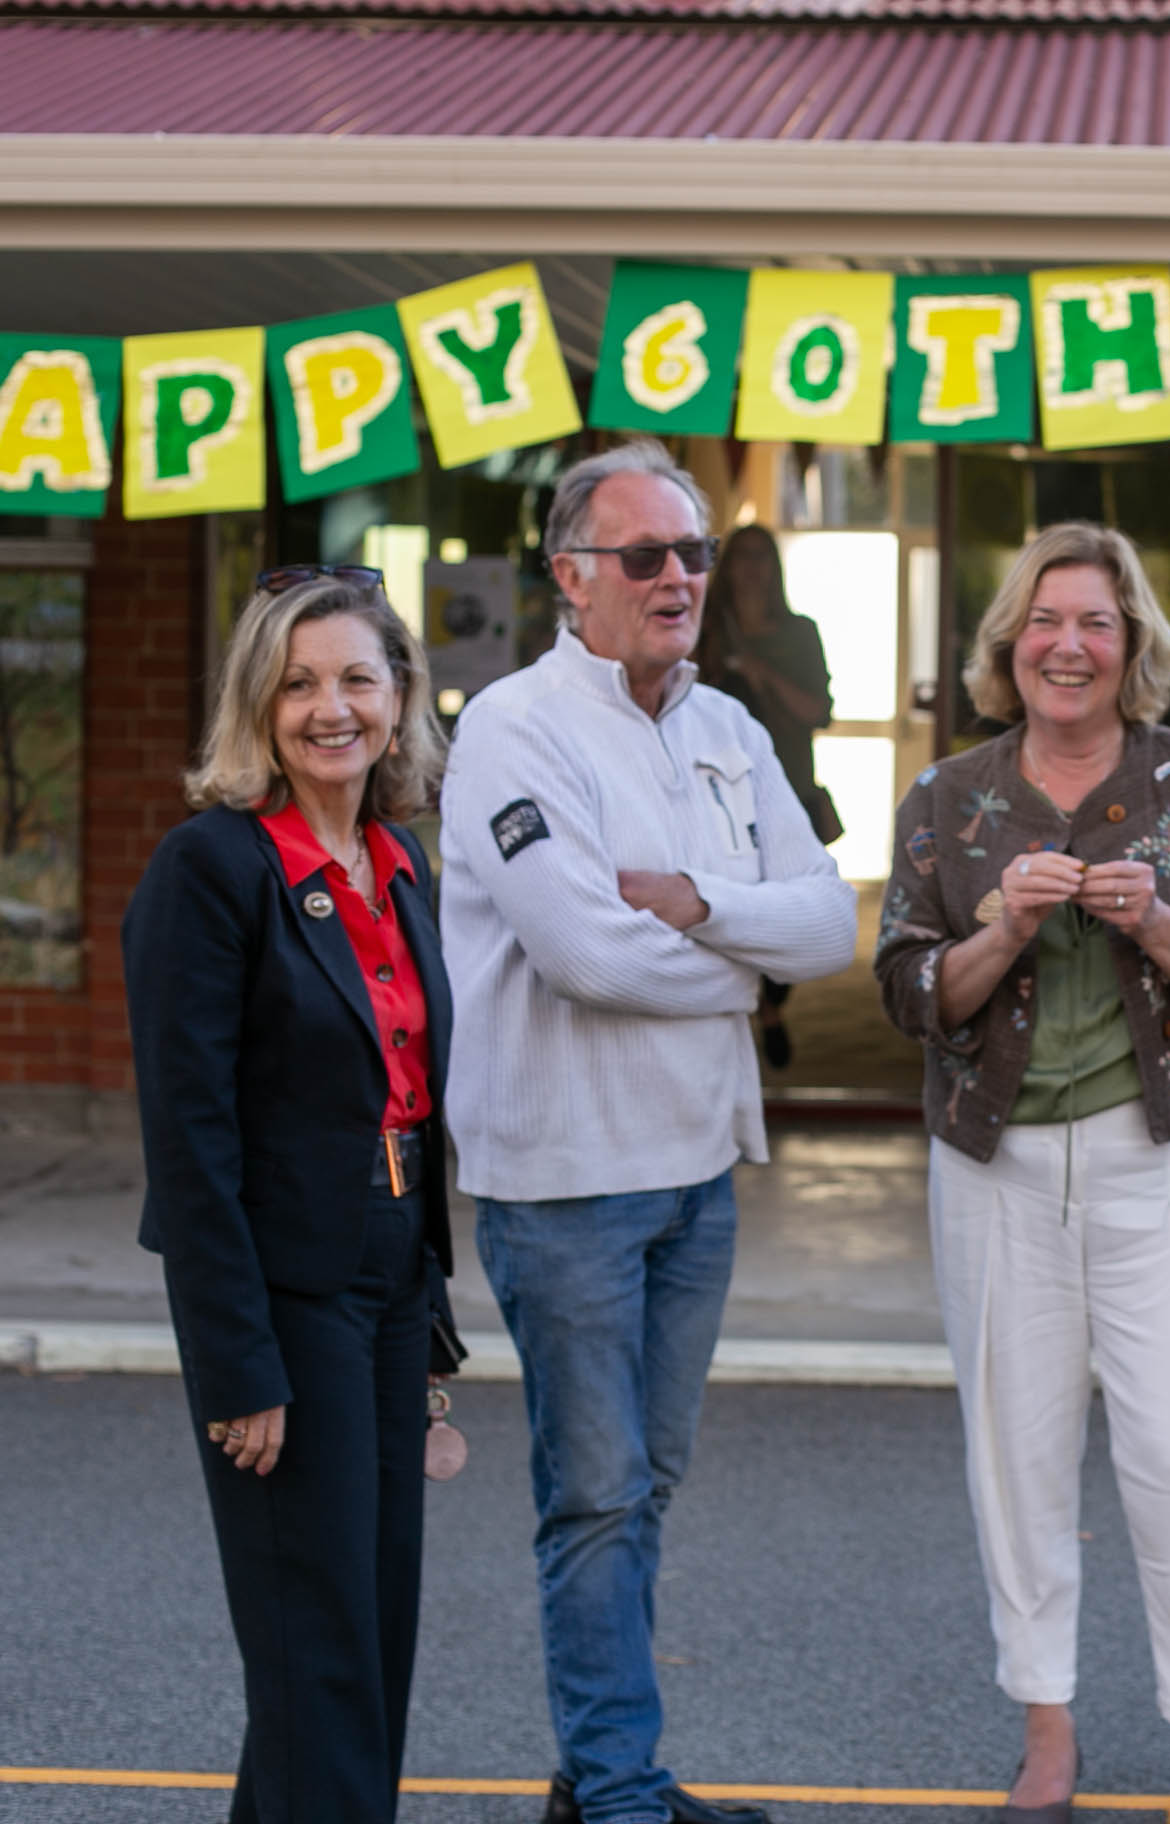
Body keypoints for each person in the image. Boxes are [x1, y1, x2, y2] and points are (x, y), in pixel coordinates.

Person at [438, 440, 858, 1824]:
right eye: (644, 557)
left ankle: (598, 1777)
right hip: (563, 1181)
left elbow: (828, 918)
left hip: (695, 1173)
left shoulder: (728, 727)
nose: (678, 576)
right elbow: (583, 955)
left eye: (688, 552)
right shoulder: (512, 727)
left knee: (644, 1486)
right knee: (599, 1494)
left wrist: (695, 906)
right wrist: (741, 961)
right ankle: (619, 1793)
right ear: (572, 579)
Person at [875, 522, 1170, 1824]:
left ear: (1133, 649)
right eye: (1046, 622)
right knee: (1018, 1458)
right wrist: (1003, 922)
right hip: (993, 1168)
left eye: (1098, 624)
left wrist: (1156, 919)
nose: (1070, 644)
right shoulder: (952, 799)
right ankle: (1047, 1731)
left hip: (1150, 1156)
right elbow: (905, 990)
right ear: (1012, 645)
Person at [123, 567, 456, 1824]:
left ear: (399, 698)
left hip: (383, 1279)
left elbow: (411, 1095)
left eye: (358, 679)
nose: (333, 708)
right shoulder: (209, 870)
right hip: (284, 1291)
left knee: (366, 1645)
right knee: (316, 1654)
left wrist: (423, 1308)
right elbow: (189, 1141)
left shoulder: (393, 859)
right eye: (300, 682)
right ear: (257, 706)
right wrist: (237, 1365)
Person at [697, 523, 840, 1069]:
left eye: (763, 556)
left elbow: (819, 711)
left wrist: (762, 674)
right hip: (714, 797)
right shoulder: (705, 631)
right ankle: (745, 1008)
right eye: (743, 557)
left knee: (791, 912)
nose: (752, 568)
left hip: (788, 789)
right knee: (726, 908)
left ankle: (772, 1007)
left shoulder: (798, 633)